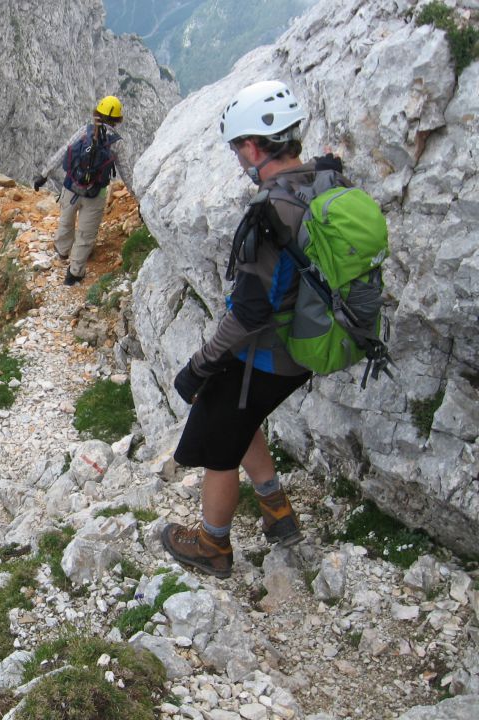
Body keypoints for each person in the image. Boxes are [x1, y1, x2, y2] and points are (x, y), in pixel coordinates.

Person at [161, 80, 338, 579]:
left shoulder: (270, 212)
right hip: (311, 342)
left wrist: (198, 366)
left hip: (271, 352)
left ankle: (213, 546)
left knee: (219, 435)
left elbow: (248, 314)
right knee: (241, 411)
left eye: (238, 147)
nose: (238, 157)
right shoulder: (323, 180)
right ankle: (276, 509)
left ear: (254, 146)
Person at [33, 95, 138, 286]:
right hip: (95, 194)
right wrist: (137, 197)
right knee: (85, 235)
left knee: (65, 222)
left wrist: (44, 174)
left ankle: (62, 250)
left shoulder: (85, 131)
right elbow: (126, 174)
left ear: (97, 112)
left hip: (71, 188)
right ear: (117, 119)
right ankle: (74, 273)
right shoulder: (118, 143)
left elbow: (64, 151)